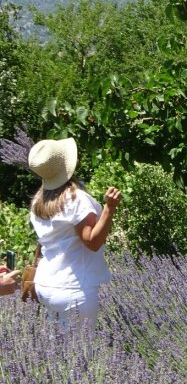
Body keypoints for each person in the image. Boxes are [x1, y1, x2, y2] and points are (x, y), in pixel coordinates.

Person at [27, 138, 121, 325]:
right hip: (74, 288)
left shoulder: (38, 200)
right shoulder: (75, 198)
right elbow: (92, 242)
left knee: (59, 349)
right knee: (84, 351)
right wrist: (110, 208)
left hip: (45, 284)